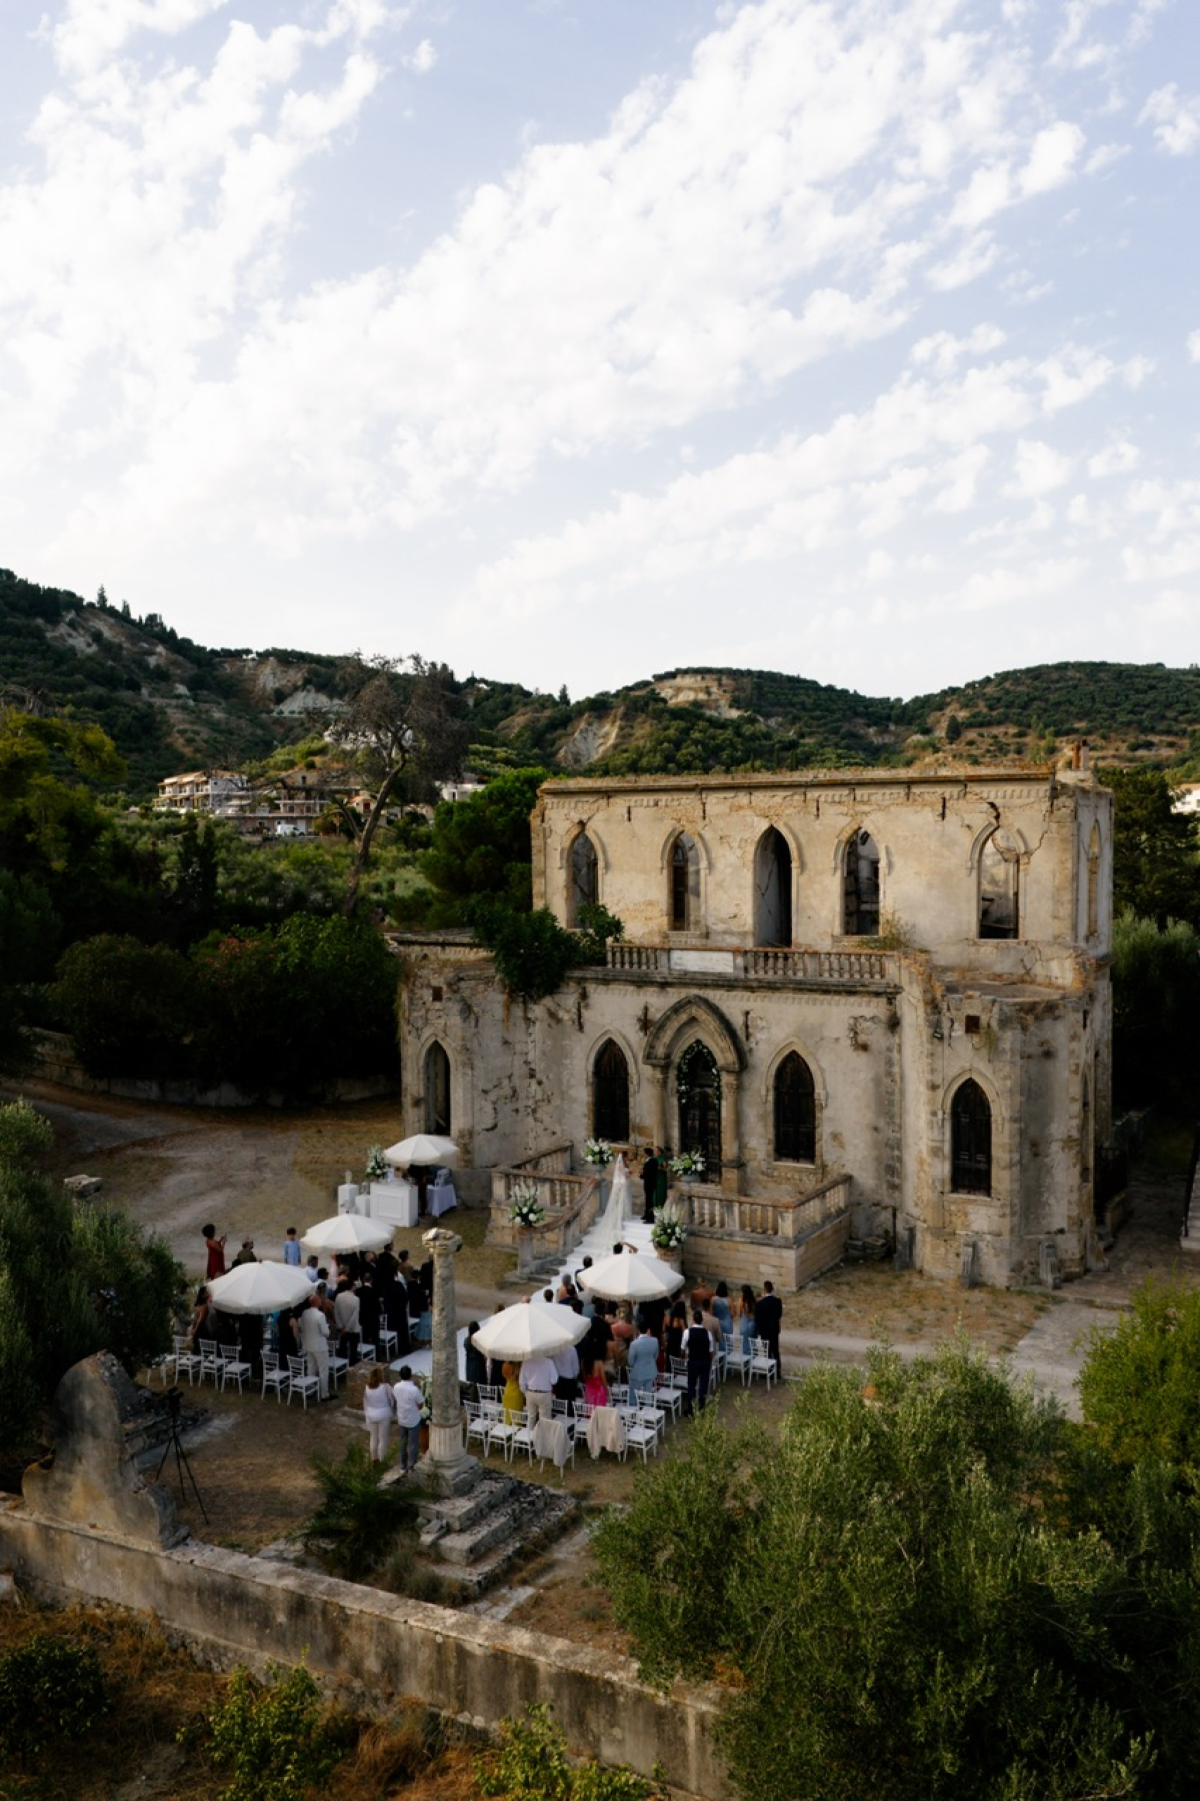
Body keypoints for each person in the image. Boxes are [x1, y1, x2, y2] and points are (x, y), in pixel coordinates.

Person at [392, 1365, 425, 1475]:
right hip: (413, 1420)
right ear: (410, 1375)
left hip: (402, 1418)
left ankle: (403, 1465)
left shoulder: (396, 1387)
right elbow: (420, 1404)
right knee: (413, 1444)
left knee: (402, 1443)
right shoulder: (414, 1390)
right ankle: (412, 1465)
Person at [299, 1292, 331, 1398]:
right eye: (320, 1299)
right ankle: (324, 1394)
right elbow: (325, 1332)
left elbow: (302, 1326)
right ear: (317, 1302)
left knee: (311, 1368)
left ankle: (310, 1390)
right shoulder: (320, 1315)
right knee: (323, 1370)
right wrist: (328, 1329)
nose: (321, 1301)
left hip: (308, 1344)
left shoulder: (304, 1313)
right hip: (319, 1346)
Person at [685, 1307, 714, 1414]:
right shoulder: (708, 1333)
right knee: (703, 1385)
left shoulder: (687, 1332)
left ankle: (690, 1408)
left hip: (693, 1360)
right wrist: (709, 1360)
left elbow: (682, 1348)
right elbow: (711, 1351)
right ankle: (701, 1407)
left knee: (691, 1385)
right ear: (702, 1320)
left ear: (693, 1319)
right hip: (704, 1361)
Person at [363, 1366, 394, 1463]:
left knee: (373, 1437)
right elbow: (391, 1399)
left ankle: (374, 1459)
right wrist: (391, 1408)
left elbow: (365, 1402)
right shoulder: (385, 1387)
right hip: (384, 1414)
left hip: (371, 1414)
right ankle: (382, 1460)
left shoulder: (367, 1388)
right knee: (383, 1439)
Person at [519, 1352, 557, 1426]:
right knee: (544, 1420)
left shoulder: (526, 1361)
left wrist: (525, 1392)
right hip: (544, 1393)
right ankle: (542, 1433)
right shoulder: (549, 1362)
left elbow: (522, 1381)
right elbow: (554, 1380)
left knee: (531, 1417)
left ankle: (530, 1433)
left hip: (530, 1392)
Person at [755, 1279, 783, 1376]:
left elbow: (758, 1319)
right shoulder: (777, 1301)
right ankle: (777, 1371)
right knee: (775, 1350)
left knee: (767, 1351)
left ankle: (769, 1370)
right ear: (772, 1289)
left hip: (764, 1330)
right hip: (774, 1329)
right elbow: (779, 1315)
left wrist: (759, 1330)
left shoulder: (760, 1304)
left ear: (764, 1289)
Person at [626, 1321, 660, 1397]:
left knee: (633, 1397)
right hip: (651, 1372)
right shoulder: (655, 1341)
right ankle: (647, 1404)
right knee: (648, 1395)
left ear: (638, 1330)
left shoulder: (634, 1344)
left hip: (638, 1373)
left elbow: (630, 1362)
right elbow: (655, 1356)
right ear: (648, 1330)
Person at [334, 1278, 361, 1365]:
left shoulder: (339, 1296)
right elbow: (354, 1316)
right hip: (352, 1328)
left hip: (342, 1327)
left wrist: (340, 1326)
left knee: (342, 1346)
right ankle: (352, 1364)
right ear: (352, 1287)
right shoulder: (356, 1299)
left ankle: (342, 1365)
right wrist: (347, 1328)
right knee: (353, 1349)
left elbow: (336, 1312)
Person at [464, 1323, 489, 1397]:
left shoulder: (467, 1341)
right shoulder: (478, 1342)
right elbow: (483, 1354)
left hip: (470, 1367)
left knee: (472, 1388)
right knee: (481, 1389)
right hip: (479, 1367)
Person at [738, 1284, 758, 1359]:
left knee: (745, 1343)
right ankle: (754, 1359)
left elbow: (739, 1313)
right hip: (753, 1322)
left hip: (744, 1323)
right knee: (753, 1342)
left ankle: (746, 1360)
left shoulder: (741, 1300)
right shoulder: (754, 1300)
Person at [640, 1148, 659, 1223]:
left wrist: (643, 1174)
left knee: (650, 1200)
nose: (643, 1154)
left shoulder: (653, 1161)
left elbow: (651, 1172)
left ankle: (650, 1218)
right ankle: (646, 1214)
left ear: (647, 1153)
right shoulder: (648, 1160)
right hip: (647, 1182)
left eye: (644, 1153)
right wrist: (642, 1174)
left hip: (650, 1183)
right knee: (647, 1199)